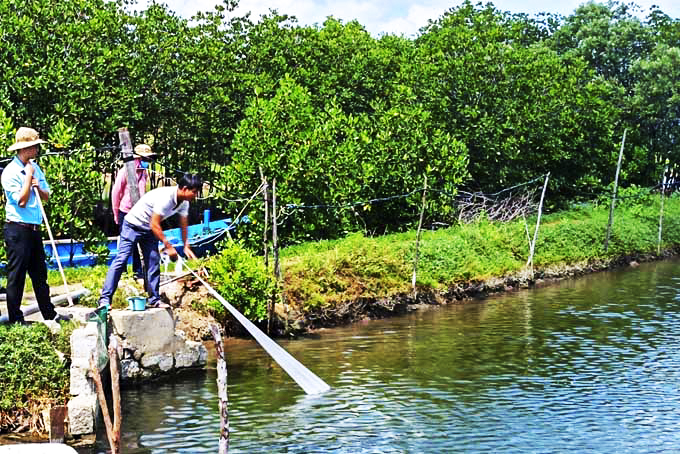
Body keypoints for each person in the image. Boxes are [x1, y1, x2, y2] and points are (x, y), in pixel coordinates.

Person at [97, 173, 202, 309]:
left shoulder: (184, 203)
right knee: (122, 259)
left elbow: (183, 224)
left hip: (148, 229)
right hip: (132, 225)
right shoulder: (166, 198)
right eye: (194, 192)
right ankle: (105, 299)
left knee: (153, 260)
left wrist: (186, 245)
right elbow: (155, 224)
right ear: (184, 189)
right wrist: (168, 246)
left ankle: (154, 300)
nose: (196, 195)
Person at [1, 127, 70, 324]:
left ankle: (49, 313)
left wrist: (38, 186)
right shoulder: (10, 172)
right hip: (17, 229)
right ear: (25, 148)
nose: (37, 150)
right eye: (34, 147)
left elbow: (46, 196)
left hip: (34, 228)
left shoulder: (36, 167)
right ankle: (15, 318)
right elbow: (21, 201)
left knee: (40, 274)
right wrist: (28, 178)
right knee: (17, 275)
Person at [111, 143, 155, 280]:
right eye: (145, 159)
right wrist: (115, 212)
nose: (147, 162)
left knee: (139, 241)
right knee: (126, 244)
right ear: (137, 158)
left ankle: (138, 272)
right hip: (126, 211)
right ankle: (122, 272)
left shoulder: (143, 172)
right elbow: (116, 192)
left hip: (140, 212)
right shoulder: (125, 171)